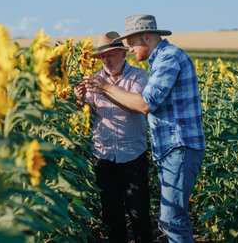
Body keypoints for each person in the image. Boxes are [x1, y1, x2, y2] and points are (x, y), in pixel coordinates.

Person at [84, 15, 206, 243]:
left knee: (172, 220)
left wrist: (104, 88)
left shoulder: (168, 59)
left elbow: (144, 104)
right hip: (170, 148)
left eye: (130, 43)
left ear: (146, 37)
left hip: (179, 146)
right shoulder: (159, 60)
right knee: (171, 219)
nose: (129, 49)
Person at [74, 31, 153, 243]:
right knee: (111, 214)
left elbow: (136, 106)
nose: (106, 61)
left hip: (133, 154)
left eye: (110, 55)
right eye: (103, 57)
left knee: (139, 213)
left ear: (123, 54)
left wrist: (105, 89)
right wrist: (80, 102)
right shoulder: (94, 80)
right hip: (103, 154)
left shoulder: (138, 76)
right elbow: (87, 116)